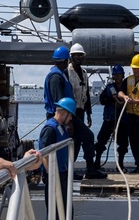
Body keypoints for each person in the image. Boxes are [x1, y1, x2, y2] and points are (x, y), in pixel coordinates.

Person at [45, 44, 106, 180]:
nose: (78, 58)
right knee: (85, 137)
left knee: (77, 142)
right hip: (68, 114)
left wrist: (89, 113)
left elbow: (86, 93)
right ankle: (87, 169)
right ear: (69, 58)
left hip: (78, 112)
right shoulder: (63, 73)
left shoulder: (83, 73)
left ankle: (71, 171)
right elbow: (59, 99)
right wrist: (68, 121)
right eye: (75, 55)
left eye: (81, 55)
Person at [38, 97, 75, 220]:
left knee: (66, 209)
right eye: (71, 115)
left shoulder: (60, 127)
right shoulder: (50, 129)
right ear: (64, 113)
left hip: (62, 173)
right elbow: (44, 154)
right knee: (54, 212)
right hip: (55, 176)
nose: (71, 119)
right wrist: (51, 176)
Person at [95, 65, 126, 170]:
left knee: (123, 143)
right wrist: (111, 100)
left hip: (122, 120)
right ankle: (97, 162)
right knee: (101, 141)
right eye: (115, 75)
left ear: (122, 75)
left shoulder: (126, 88)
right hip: (109, 119)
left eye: (119, 75)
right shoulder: (109, 88)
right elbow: (102, 100)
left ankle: (120, 165)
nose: (117, 77)